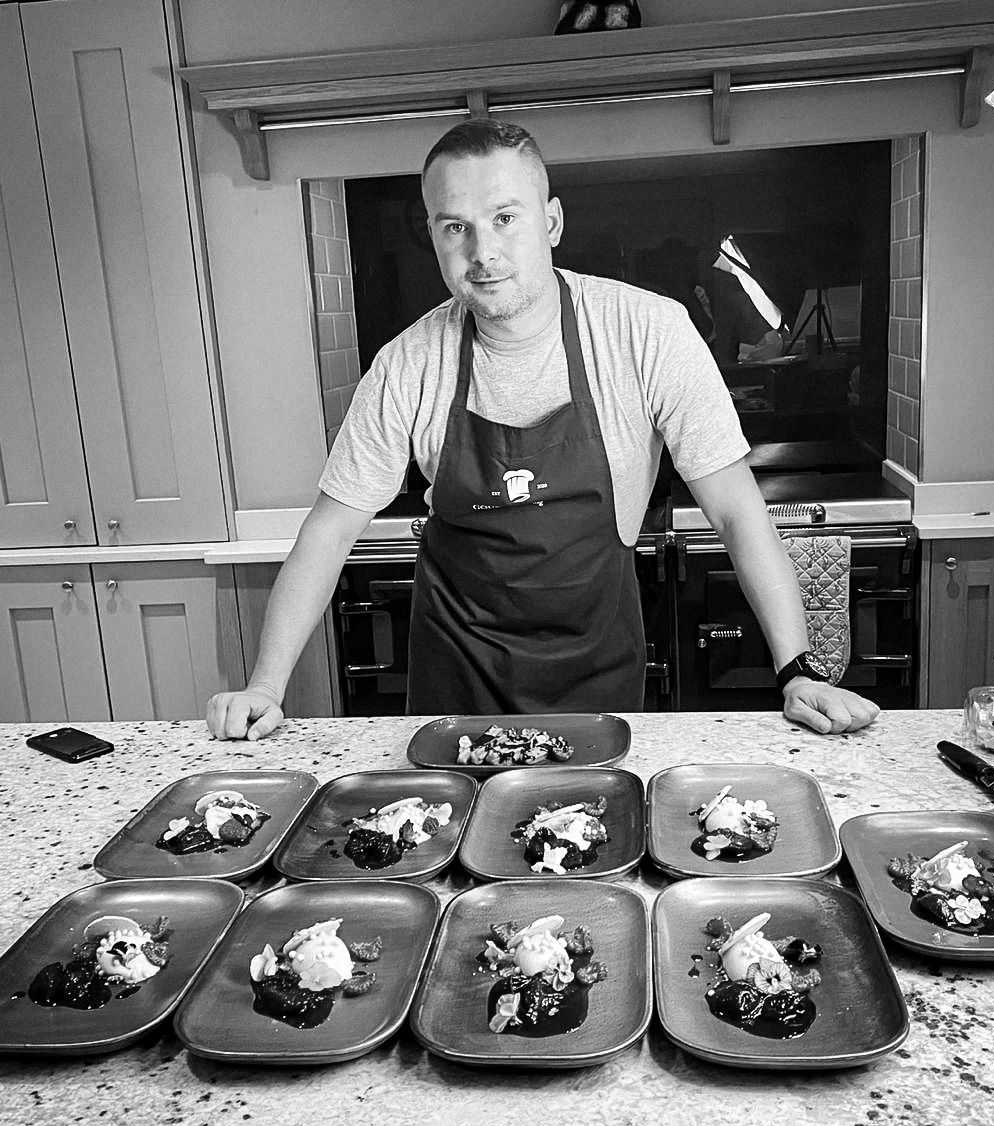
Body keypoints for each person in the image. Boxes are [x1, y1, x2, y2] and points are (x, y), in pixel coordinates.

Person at [206, 119, 879, 740]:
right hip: (455, 684)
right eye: (454, 228)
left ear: (550, 221)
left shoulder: (645, 331)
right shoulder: (407, 363)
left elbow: (735, 510)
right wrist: (266, 684)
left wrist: (795, 669)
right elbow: (329, 530)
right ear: (435, 238)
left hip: (596, 676)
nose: (482, 252)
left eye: (504, 219)